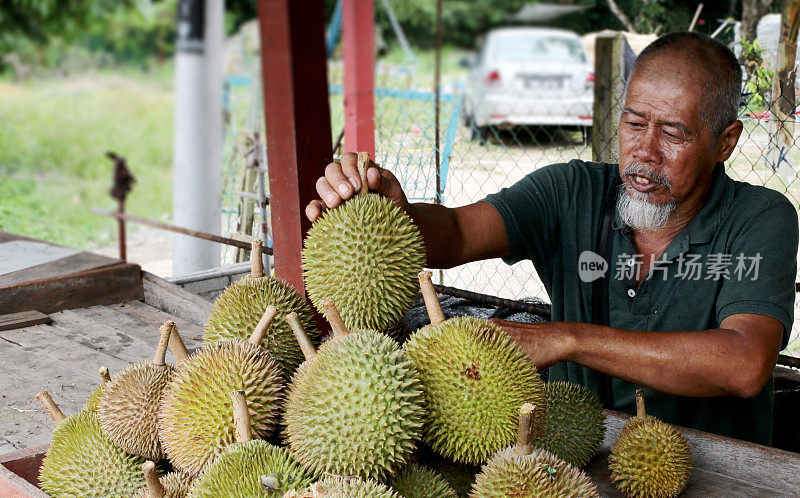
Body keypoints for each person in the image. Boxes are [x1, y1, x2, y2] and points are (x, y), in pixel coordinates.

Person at [306, 32, 798, 445]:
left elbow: (744, 362)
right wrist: (393, 211)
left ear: (726, 141)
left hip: (728, 484)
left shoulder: (760, 218)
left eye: (673, 132)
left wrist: (566, 339)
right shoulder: (571, 192)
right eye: (633, 123)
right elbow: (454, 235)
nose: (644, 151)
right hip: (573, 460)